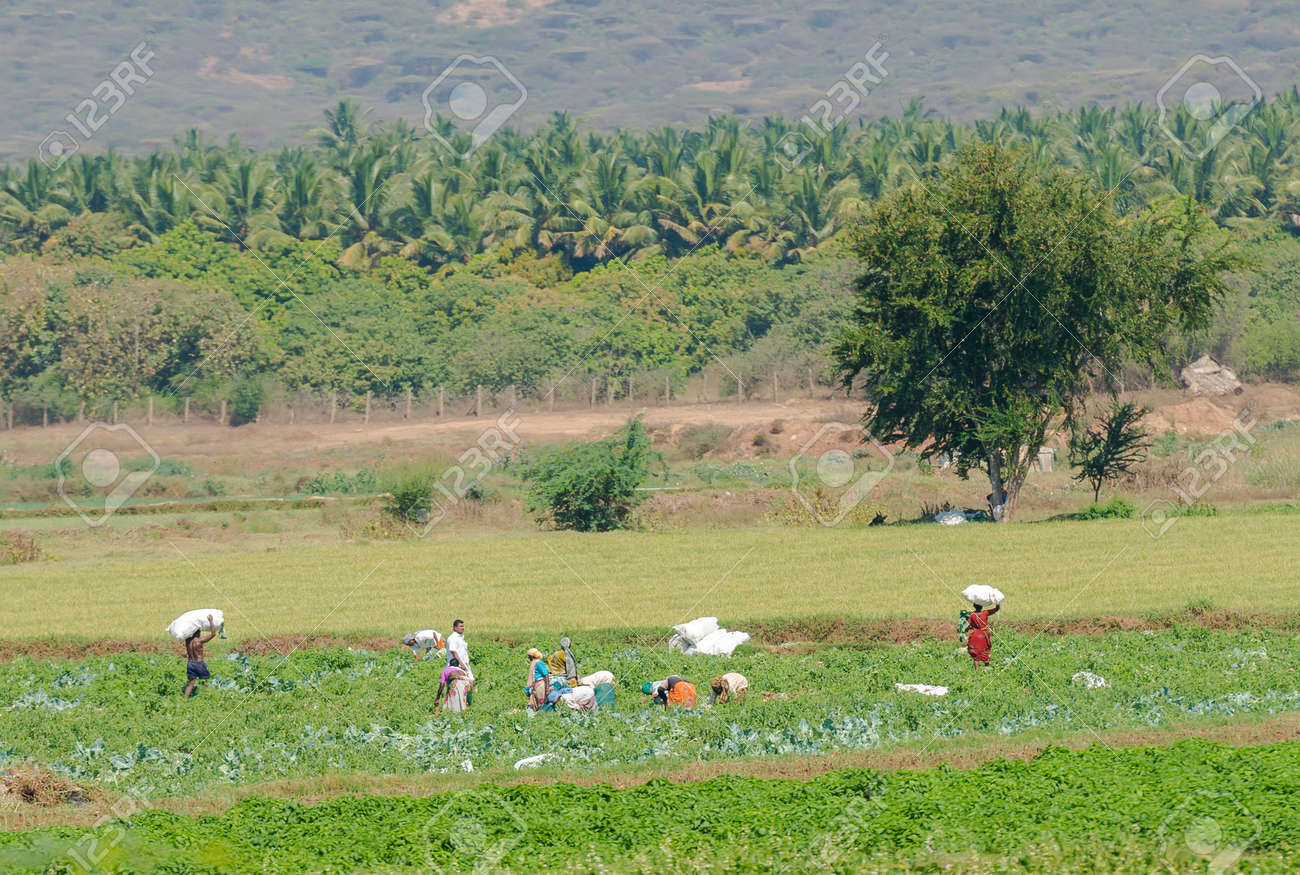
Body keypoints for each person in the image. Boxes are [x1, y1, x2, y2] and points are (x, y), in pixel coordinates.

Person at [182, 613, 218, 698]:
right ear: (198, 633)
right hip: (199, 663)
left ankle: (184, 699)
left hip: (190, 663)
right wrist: (211, 621)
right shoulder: (200, 641)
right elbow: (213, 634)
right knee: (205, 681)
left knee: (191, 684)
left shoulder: (187, 641)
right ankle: (206, 697)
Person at [966, 602, 1000, 666]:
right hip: (984, 635)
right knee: (985, 651)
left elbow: (969, 625)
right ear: (982, 607)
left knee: (975, 655)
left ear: (974, 606)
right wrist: (997, 602)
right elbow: (996, 609)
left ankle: (976, 671)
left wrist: (966, 630)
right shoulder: (985, 613)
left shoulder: (972, 615)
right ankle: (987, 668)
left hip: (975, 635)